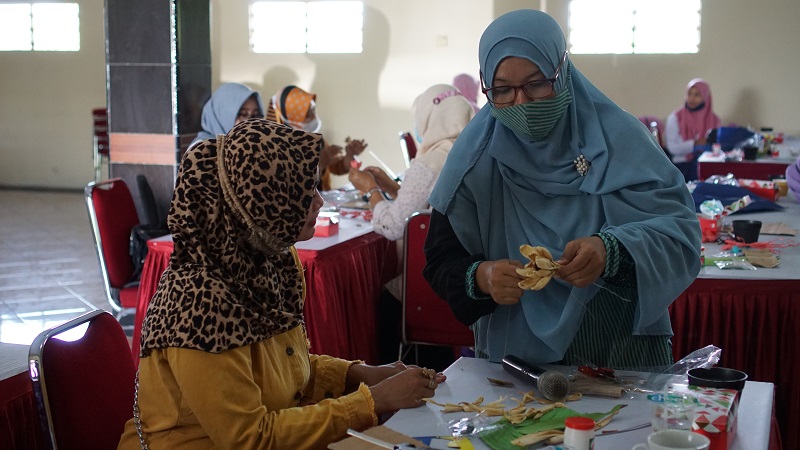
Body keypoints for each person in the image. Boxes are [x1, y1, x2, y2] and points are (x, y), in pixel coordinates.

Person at [117, 119, 445, 450]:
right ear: (260, 203)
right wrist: (373, 400)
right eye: (302, 191)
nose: (318, 201)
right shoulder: (198, 304)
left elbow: (283, 371)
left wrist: (359, 375)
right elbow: (250, 439)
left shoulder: (267, 261)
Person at [423, 10, 702, 371]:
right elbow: (440, 260)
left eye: (537, 83)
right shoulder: (474, 161)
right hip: (518, 362)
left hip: (619, 348)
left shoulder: (619, 140)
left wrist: (611, 250)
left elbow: (681, 235)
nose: (522, 103)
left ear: (562, 72)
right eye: (503, 90)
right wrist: (482, 277)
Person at [348, 84, 475, 366]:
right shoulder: (471, 153)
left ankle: (389, 374)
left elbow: (394, 226)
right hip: (469, 279)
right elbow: (432, 207)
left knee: (382, 298)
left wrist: (371, 190)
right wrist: (394, 189)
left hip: (431, 283)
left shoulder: (430, 162)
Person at [266, 85, 367, 190]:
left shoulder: (316, 140)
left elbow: (336, 167)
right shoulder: (277, 148)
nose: (314, 116)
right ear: (291, 119)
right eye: (307, 114)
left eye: (313, 109)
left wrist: (349, 155)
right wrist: (320, 162)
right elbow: (292, 186)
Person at [665, 78, 721, 182]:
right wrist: (695, 144)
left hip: (707, 164)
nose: (691, 98)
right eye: (689, 94)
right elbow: (672, 148)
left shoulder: (714, 120)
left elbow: (718, 146)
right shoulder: (676, 118)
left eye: (697, 95)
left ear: (705, 97)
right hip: (681, 166)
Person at [190, 83, 265, 148]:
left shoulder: (254, 143)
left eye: (256, 114)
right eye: (243, 114)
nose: (251, 122)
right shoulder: (202, 149)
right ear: (223, 116)